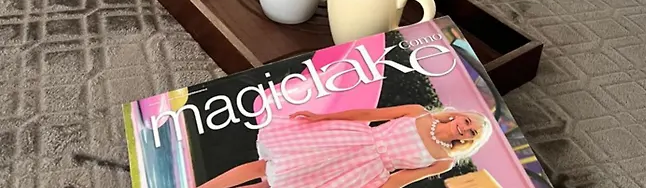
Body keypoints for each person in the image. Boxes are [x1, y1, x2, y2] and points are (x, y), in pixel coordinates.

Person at [199, 104, 493, 188]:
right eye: (468, 121)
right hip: (350, 140)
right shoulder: (419, 113)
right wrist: (323, 117)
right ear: (460, 115)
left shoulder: (444, 160)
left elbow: (399, 181)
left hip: (360, 172)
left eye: (472, 132)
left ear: (469, 140)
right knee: (265, 167)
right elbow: (368, 114)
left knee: (279, 185)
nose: (465, 128)